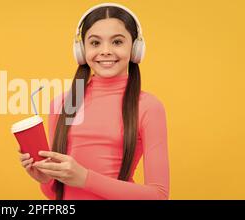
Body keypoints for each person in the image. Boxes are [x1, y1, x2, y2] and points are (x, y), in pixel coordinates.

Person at [19, 3, 169, 200]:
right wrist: (46, 179)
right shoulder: (63, 103)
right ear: (81, 50)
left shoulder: (148, 107)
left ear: (135, 48)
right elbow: (56, 194)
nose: (105, 51)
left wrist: (85, 178)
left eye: (117, 42)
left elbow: (158, 195)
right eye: (95, 43)